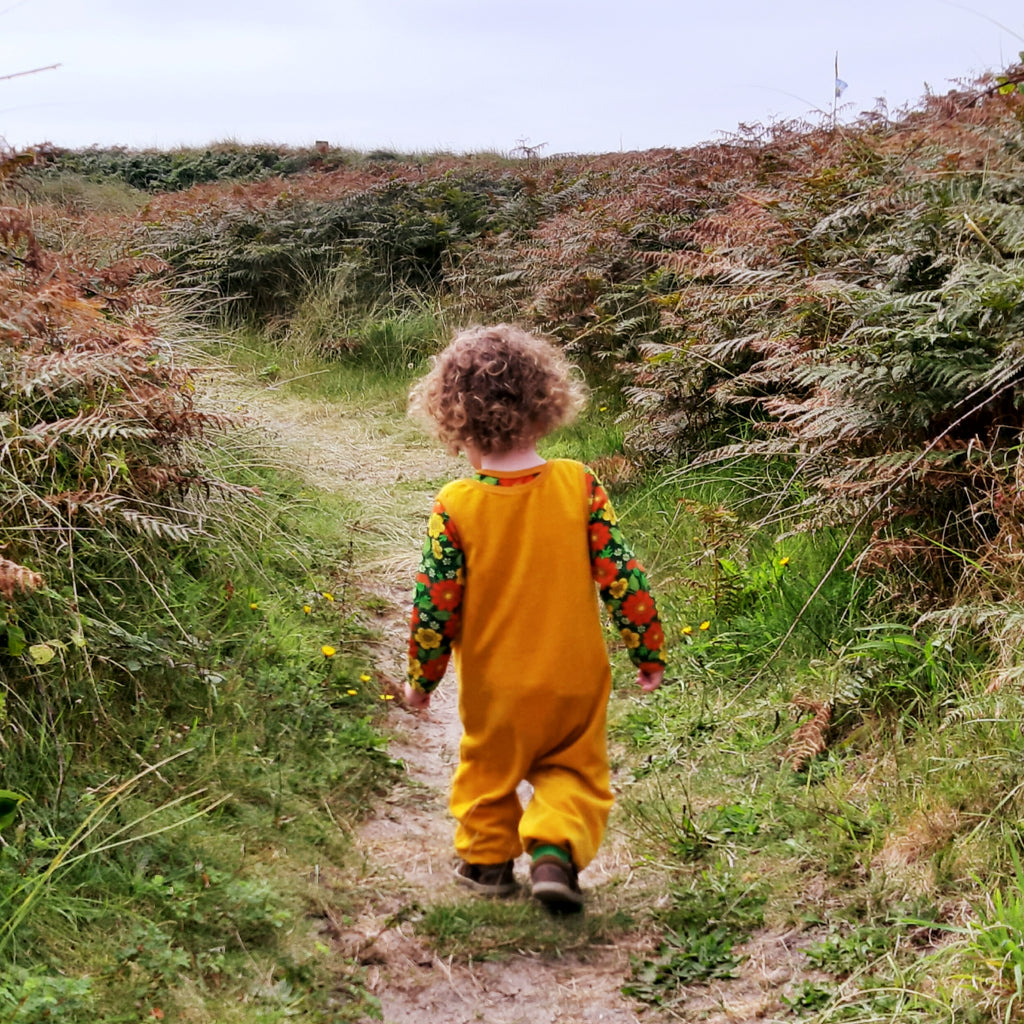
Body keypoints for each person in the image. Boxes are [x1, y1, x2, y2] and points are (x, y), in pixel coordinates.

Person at [404, 324, 665, 913]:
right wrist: (646, 649)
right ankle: (553, 852)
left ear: (456, 421)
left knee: (488, 771)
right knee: (573, 767)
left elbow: (434, 606)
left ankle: (486, 862)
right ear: (546, 405)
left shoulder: (457, 505)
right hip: (575, 677)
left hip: (497, 688)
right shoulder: (580, 485)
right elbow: (622, 575)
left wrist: (423, 681)